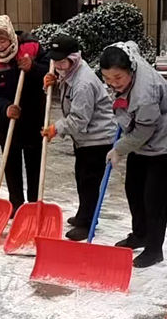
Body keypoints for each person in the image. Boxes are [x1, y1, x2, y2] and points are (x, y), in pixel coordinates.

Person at [99, 41, 167, 268]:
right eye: (107, 78)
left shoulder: (144, 93)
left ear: (130, 70)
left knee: (154, 198)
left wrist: (119, 149)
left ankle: (154, 249)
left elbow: (144, 131)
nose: (112, 83)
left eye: (118, 78)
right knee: (134, 189)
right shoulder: (128, 56)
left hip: (165, 142)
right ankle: (140, 235)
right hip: (140, 140)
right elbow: (130, 45)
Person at [40, 34, 116, 241]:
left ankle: (87, 223)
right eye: (55, 61)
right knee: (82, 178)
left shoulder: (83, 82)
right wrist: (55, 82)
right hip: (85, 138)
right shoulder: (71, 73)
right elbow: (69, 97)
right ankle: (84, 214)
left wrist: (56, 128)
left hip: (98, 138)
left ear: (73, 58)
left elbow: (79, 119)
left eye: (62, 61)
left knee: (89, 182)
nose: (58, 65)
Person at [0, 15, 47, 216]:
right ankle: (16, 203)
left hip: (33, 116)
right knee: (11, 163)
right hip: (6, 122)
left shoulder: (31, 47)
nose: (0, 46)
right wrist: (5, 108)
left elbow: (50, 73)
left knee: (34, 163)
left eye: (3, 40)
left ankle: (34, 203)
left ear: (10, 36)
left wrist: (33, 67)